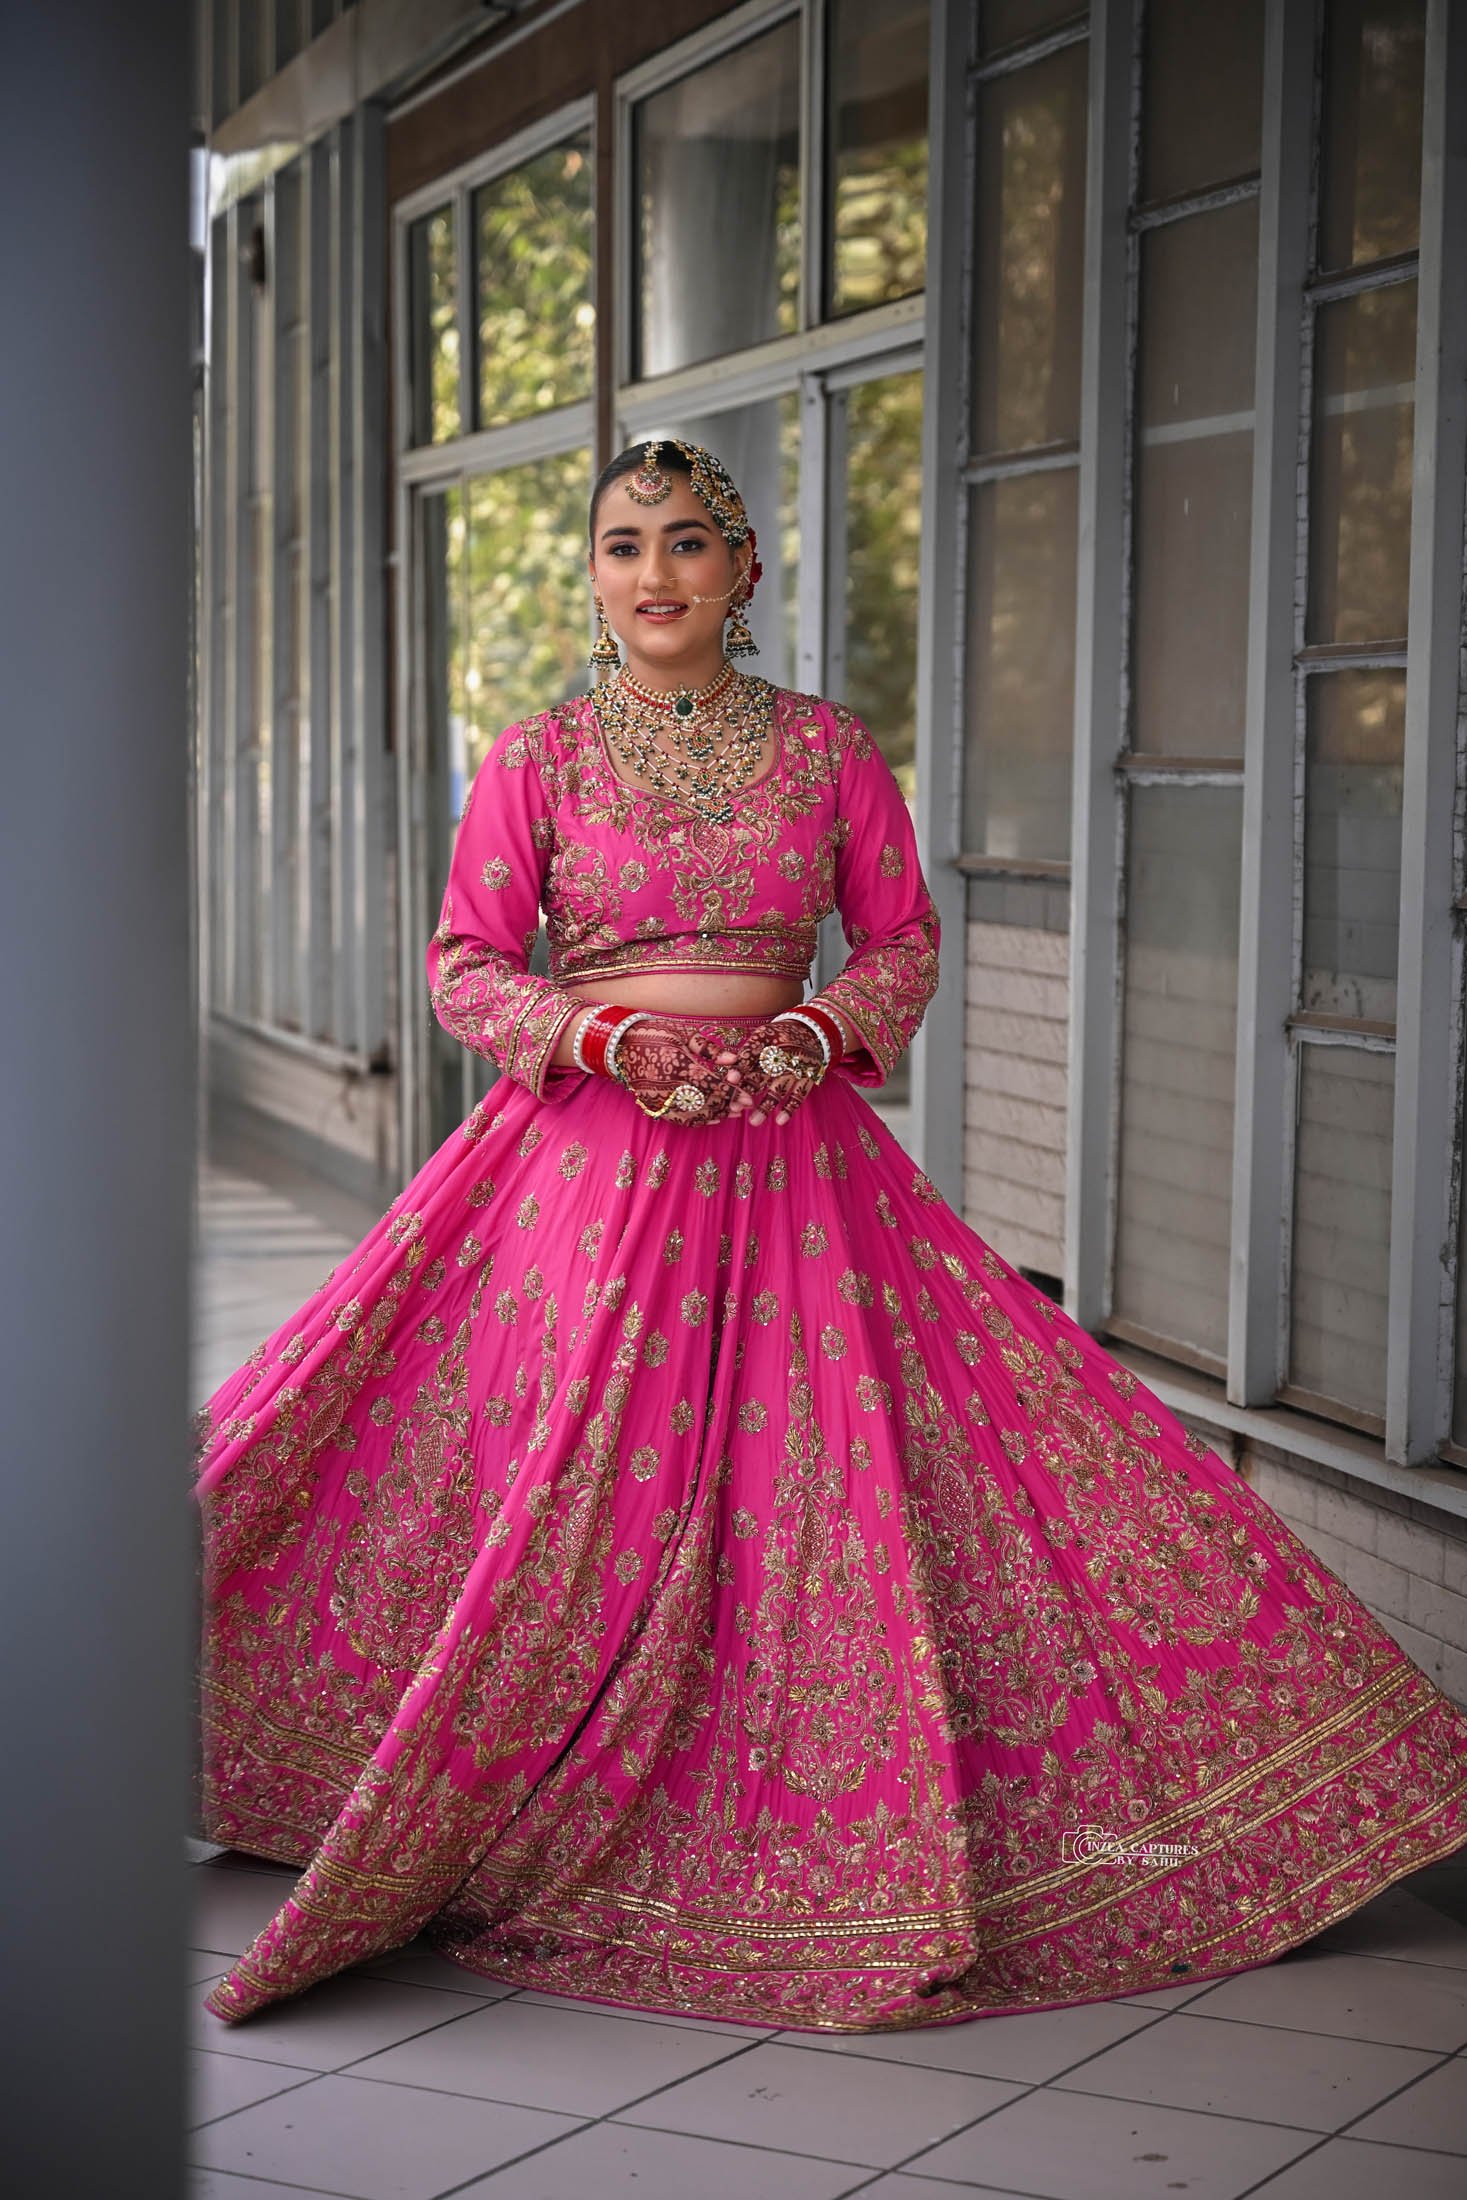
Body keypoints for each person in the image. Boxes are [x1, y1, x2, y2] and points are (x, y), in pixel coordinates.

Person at [195, 438, 1467, 2034]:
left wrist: (809, 1039)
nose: (649, 573)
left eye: (683, 542)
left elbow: (905, 938)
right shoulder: (540, 755)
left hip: (794, 1169)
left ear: (742, 567)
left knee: (846, 1474)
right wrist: (604, 1043)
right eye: (618, 546)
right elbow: (466, 963)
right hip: (581, 1174)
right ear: (591, 576)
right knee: (537, 1471)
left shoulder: (825, 751)